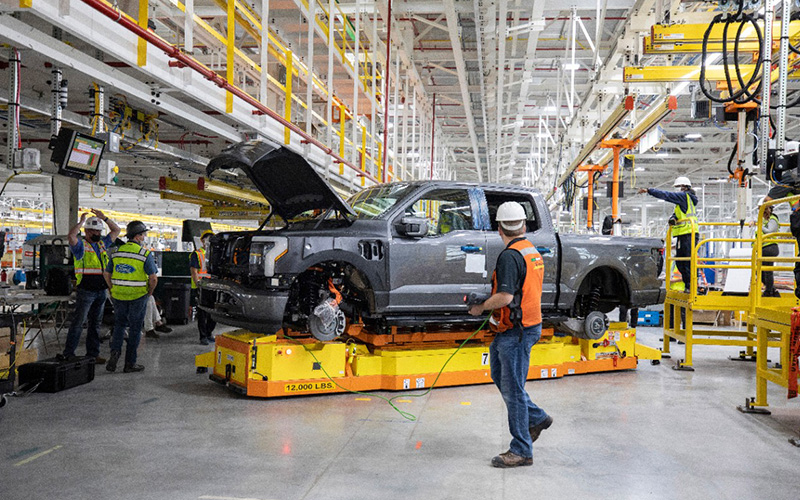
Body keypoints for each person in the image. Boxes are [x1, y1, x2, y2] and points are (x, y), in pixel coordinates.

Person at [468, 201, 552, 468]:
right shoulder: (531, 251)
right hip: (523, 326)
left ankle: (521, 451)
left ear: (499, 228)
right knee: (499, 376)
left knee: (513, 390)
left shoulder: (509, 256)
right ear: (524, 225)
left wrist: (481, 306)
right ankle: (537, 417)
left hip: (516, 331)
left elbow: (505, 296)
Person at [62, 209, 120, 364]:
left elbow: (117, 230)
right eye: (94, 230)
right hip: (86, 290)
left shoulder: (103, 244)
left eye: (99, 230)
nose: (97, 233)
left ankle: (93, 354)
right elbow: (71, 236)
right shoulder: (80, 246)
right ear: (87, 231)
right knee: (79, 323)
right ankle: (69, 353)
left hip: (101, 290)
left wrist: (104, 218)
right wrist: (81, 222)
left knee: (96, 324)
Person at [103, 221, 158, 373]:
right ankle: (130, 363)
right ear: (138, 236)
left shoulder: (117, 252)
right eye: (143, 234)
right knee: (135, 329)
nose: (144, 237)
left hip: (119, 295)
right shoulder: (144, 254)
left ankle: (114, 354)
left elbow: (107, 273)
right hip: (138, 296)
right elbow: (153, 278)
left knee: (120, 326)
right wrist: (150, 292)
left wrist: (112, 288)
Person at [639, 176, 699, 292]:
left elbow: (666, 195)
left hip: (688, 233)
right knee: (680, 261)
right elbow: (678, 213)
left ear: (684, 187)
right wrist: (673, 218)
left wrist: (649, 190)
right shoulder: (684, 201)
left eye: (678, 187)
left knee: (686, 261)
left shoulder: (684, 196)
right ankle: (689, 285)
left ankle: (690, 286)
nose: (676, 189)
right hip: (683, 234)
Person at [191, 230, 216, 345]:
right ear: (202, 241)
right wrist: (198, 285)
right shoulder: (196, 254)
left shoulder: (215, 254)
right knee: (202, 313)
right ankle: (203, 336)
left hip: (213, 287)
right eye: (206, 239)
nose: (208, 241)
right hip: (202, 286)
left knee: (213, 312)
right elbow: (194, 272)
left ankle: (209, 332)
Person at [755, 200, 781, 297]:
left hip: (770, 248)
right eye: (761, 209)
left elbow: (770, 231)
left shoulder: (773, 219)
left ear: (770, 209)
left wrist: (758, 225)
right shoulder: (764, 221)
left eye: (765, 209)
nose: (763, 211)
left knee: (767, 271)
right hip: (763, 248)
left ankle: (769, 292)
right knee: (759, 271)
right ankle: (772, 290)